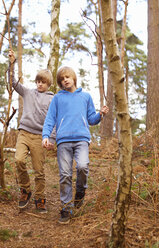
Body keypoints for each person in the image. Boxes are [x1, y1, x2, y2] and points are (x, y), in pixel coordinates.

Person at [42, 66, 109, 224]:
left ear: (73, 78)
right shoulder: (58, 98)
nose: (65, 80)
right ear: (60, 83)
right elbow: (50, 119)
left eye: (67, 77)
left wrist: (100, 114)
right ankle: (66, 207)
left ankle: (80, 192)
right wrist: (46, 136)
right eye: (62, 79)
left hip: (82, 140)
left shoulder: (85, 97)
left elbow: (91, 119)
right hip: (63, 140)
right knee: (65, 174)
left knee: (83, 166)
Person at [8, 50, 55, 213]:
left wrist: (51, 138)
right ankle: (25, 189)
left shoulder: (52, 99)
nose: (40, 84)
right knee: (19, 160)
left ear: (48, 84)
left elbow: (54, 120)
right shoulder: (28, 93)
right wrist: (12, 63)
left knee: (39, 170)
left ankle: (40, 199)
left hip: (40, 137)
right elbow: (12, 83)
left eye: (43, 82)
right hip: (24, 133)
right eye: (38, 81)